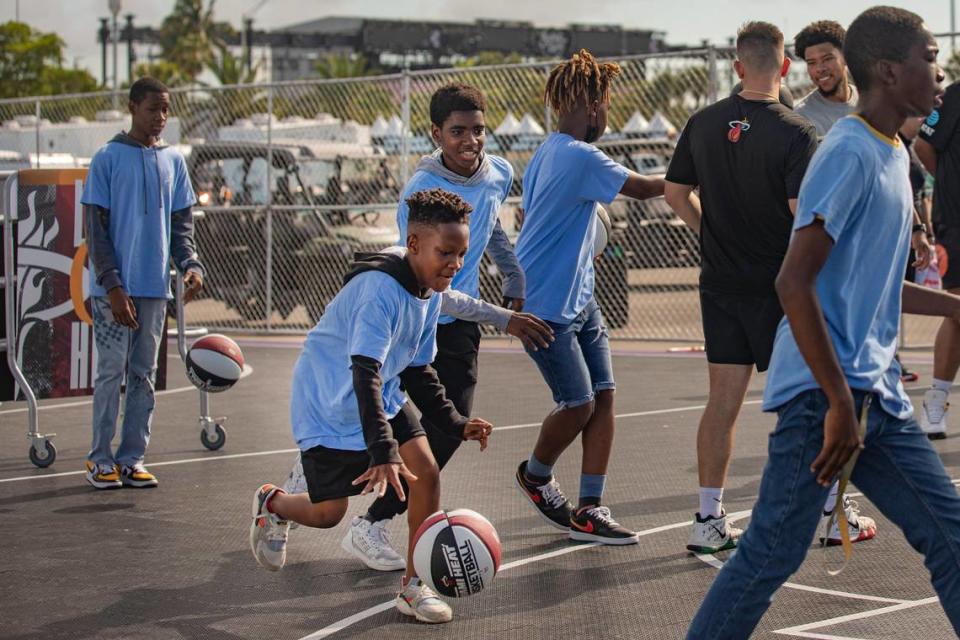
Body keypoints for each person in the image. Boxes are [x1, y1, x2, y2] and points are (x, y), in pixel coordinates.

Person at [687, 8, 960, 638]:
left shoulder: (894, 154)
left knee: (950, 537)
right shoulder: (847, 152)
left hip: (874, 398)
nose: (939, 71)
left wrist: (954, 308)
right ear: (891, 71)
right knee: (771, 554)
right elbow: (793, 281)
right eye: (929, 56)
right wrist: (838, 400)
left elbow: (875, 283)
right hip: (824, 394)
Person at [249, 188, 494, 625]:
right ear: (414, 244)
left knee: (426, 473)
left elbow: (417, 370)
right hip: (330, 400)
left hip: (380, 391)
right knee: (329, 514)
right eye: (446, 253)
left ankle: (413, 587)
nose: (455, 264)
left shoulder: (431, 291)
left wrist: (455, 424)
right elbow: (363, 372)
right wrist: (384, 452)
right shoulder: (380, 292)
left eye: (461, 254)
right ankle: (274, 504)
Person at [665, 22, 832, 554]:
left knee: (723, 403)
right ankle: (828, 513)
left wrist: (710, 230)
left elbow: (674, 193)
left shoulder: (703, 121)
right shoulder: (797, 131)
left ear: (739, 66)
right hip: (778, 287)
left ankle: (708, 519)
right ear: (785, 67)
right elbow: (798, 214)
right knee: (807, 403)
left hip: (720, 284)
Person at [513, 49, 664, 544]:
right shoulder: (577, 154)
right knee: (577, 405)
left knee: (603, 399)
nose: (607, 116)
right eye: (607, 105)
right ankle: (535, 475)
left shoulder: (549, 151)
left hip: (581, 298)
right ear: (593, 103)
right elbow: (643, 188)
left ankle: (590, 510)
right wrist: (708, 169)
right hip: (546, 306)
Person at [82, 77, 204, 490]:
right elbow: (96, 232)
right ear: (132, 107)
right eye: (153, 109)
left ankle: (132, 457)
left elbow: (180, 225)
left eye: (166, 110)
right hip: (112, 293)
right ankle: (100, 459)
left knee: (143, 374)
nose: (161, 118)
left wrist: (189, 265)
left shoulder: (174, 161)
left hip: (154, 289)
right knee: (111, 371)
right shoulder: (106, 158)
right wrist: (113, 285)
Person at [915, 80, 960, 439]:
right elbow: (924, 146)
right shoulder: (955, 95)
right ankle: (936, 398)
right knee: (957, 308)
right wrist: (948, 188)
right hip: (956, 222)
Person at [793, 21, 859, 138]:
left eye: (827, 59)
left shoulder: (871, 104)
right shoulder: (801, 119)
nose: (819, 69)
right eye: (812, 63)